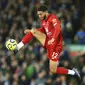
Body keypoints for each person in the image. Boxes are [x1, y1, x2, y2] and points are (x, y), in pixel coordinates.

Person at [11, 5, 81, 79]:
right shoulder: (43, 20)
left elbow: (58, 28)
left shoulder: (52, 18)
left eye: (41, 14)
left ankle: (73, 72)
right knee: (33, 31)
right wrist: (31, 31)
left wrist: (53, 39)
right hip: (48, 42)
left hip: (56, 45)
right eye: (38, 14)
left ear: (46, 12)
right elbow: (44, 30)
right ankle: (17, 47)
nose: (39, 16)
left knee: (53, 70)